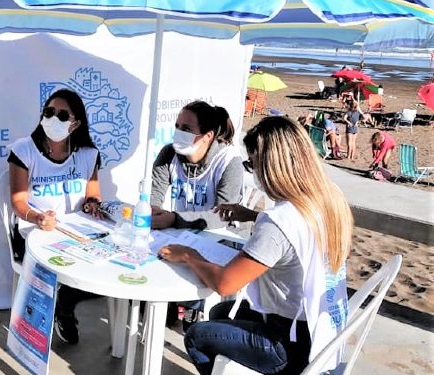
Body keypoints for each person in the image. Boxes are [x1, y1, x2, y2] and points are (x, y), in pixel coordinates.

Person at [158, 116, 354, 375]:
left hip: (288, 345)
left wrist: (190, 256)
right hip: (320, 327)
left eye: (253, 164)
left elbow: (226, 283)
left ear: (272, 165)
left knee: (196, 336)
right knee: (220, 310)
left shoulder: (279, 222)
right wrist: (251, 215)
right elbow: (297, 232)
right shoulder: (329, 197)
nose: (254, 172)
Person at [8, 89, 102, 345]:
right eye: (49, 112)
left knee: (100, 261)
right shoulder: (23, 150)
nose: (53, 118)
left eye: (62, 115)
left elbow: (93, 195)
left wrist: (93, 205)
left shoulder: (87, 154)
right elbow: (17, 202)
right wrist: (36, 217)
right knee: (61, 263)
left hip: (74, 232)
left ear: (76, 123)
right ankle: (58, 309)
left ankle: (65, 305)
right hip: (34, 231)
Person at [149, 101, 243, 329]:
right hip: (183, 233)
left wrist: (174, 219)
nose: (178, 132)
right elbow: (154, 197)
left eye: (187, 129)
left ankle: (195, 308)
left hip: (220, 238)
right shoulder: (169, 153)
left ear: (208, 136)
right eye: (177, 126)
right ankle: (178, 304)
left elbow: (223, 215)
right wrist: (153, 213)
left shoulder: (228, 161)